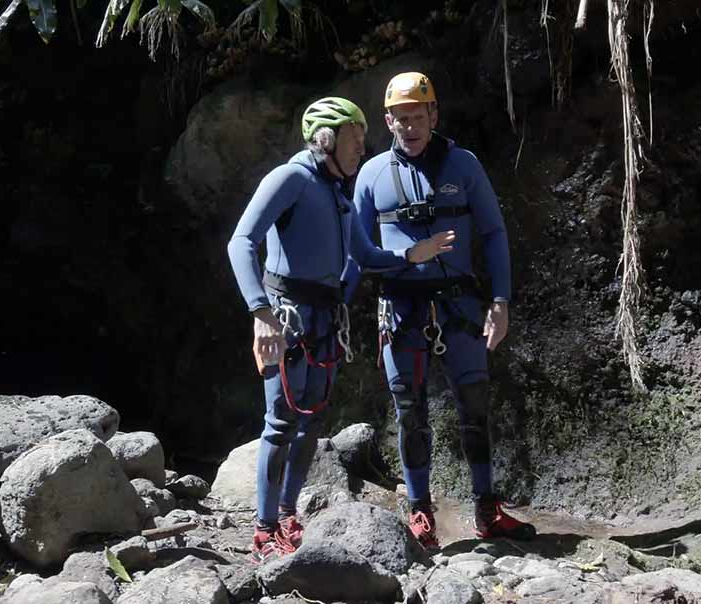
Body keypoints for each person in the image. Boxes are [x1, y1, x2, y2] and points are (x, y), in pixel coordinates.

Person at [227, 96, 455, 561]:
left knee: (311, 421)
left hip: (325, 320)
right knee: (280, 422)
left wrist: (414, 255)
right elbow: (241, 242)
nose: (361, 148)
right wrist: (260, 314)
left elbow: (366, 257)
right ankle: (264, 530)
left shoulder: (338, 194)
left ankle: (288, 515)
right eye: (354, 139)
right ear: (326, 139)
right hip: (286, 316)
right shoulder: (291, 178)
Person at [345, 73, 536, 549]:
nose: (409, 126)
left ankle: (487, 511)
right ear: (388, 120)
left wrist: (500, 301)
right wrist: (337, 310)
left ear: (434, 114)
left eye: (417, 116)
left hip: (461, 307)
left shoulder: (463, 166)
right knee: (410, 414)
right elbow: (357, 253)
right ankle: (419, 512)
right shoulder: (371, 175)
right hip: (400, 310)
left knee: (475, 408)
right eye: (400, 118)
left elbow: (492, 234)